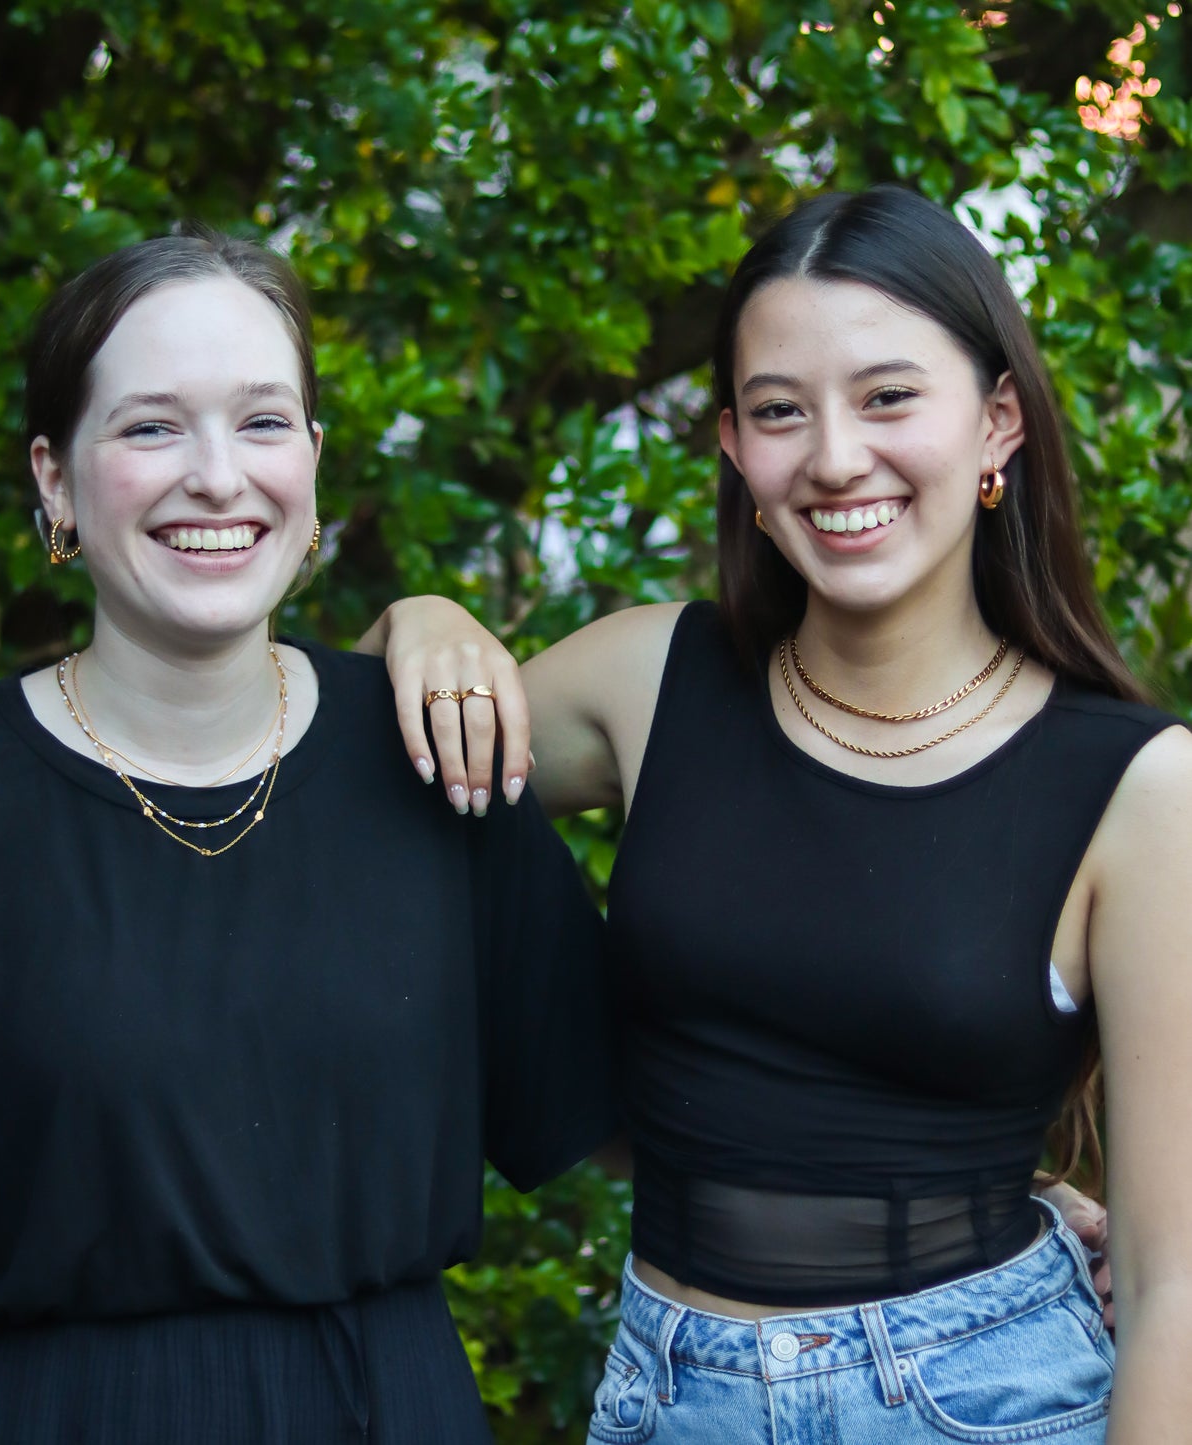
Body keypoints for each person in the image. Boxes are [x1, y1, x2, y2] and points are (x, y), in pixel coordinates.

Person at [0, 228, 617, 1445]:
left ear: (312, 460)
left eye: (261, 422)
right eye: (151, 427)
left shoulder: (430, 752)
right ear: (54, 478)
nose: (216, 477)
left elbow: (657, 1123)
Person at [364, 187, 1192, 1441]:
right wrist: (419, 622)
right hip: (669, 1393)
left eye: (887, 396)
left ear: (996, 421)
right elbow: (346, 771)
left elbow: (1172, 1274)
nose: (834, 457)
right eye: (778, 410)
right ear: (733, 448)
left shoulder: (1136, 785)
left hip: (978, 1395)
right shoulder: (648, 680)